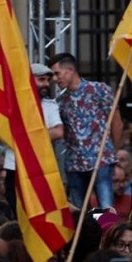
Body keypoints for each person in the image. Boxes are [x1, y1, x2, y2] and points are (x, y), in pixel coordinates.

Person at [48, 53, 122, 209]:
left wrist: (111, 153)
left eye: (57, 73)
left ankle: (105, 232)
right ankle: (87, 233)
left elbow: (116, 122)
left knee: (105, 208)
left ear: (70, 70)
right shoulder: (60, 102)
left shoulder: (99, 90)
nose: (55, 79)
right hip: (74, 164)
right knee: (79, 211)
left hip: (100, 160)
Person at [3, 63, 64, 211]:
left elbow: (58, 132)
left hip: (41, 168)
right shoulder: (11, 105)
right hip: (15, 167)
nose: (46, 84)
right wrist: (40, 135)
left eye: (47, 81)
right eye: (41, 80)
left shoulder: (50, 106)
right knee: (16, 210)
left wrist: (25, 137)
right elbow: (5, 133)